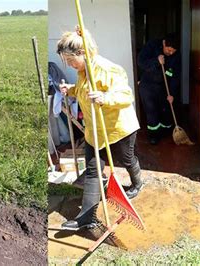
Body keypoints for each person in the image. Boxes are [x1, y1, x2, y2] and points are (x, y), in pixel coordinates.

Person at [57, 27, 143, 230]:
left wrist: (105, 98)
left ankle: (138, 183)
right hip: (95, 130)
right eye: (65, 60)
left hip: (119, 128)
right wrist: (70, 90)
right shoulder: (82, 72)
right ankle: (87, 217)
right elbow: (81, 91)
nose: (68, 64)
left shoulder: (106, 70)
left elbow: (126, 95)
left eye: (70, 59)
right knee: (93, 169)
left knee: (127, 158)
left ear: (82, 53)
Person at [138, 33, 181, 145]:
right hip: (148, 85)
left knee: (165, 109)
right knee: (151, 111)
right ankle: (154, 135)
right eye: (168, 50)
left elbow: (175, 76)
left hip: (163, 86)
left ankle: (166, 131)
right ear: (163, 43)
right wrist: (156, 61)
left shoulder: (176, 55)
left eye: (173, 51)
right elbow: (141, 62)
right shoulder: (152, 45)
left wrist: (172, 94)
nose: (170, 53)